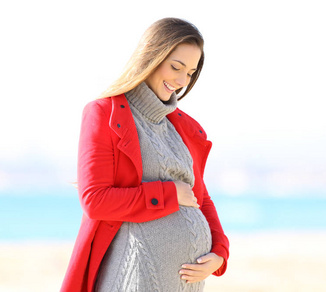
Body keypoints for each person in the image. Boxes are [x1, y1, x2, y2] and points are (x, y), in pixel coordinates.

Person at [61, 17, 229, 292]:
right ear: (152, 55)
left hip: (186, 285)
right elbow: (95, 200)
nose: (181, 80)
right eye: (176, 67)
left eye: (190, 73)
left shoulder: (182, 127)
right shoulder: (103, 113)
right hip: (136, 280)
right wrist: (168, 194)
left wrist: (220, 252)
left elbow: (200, 198)